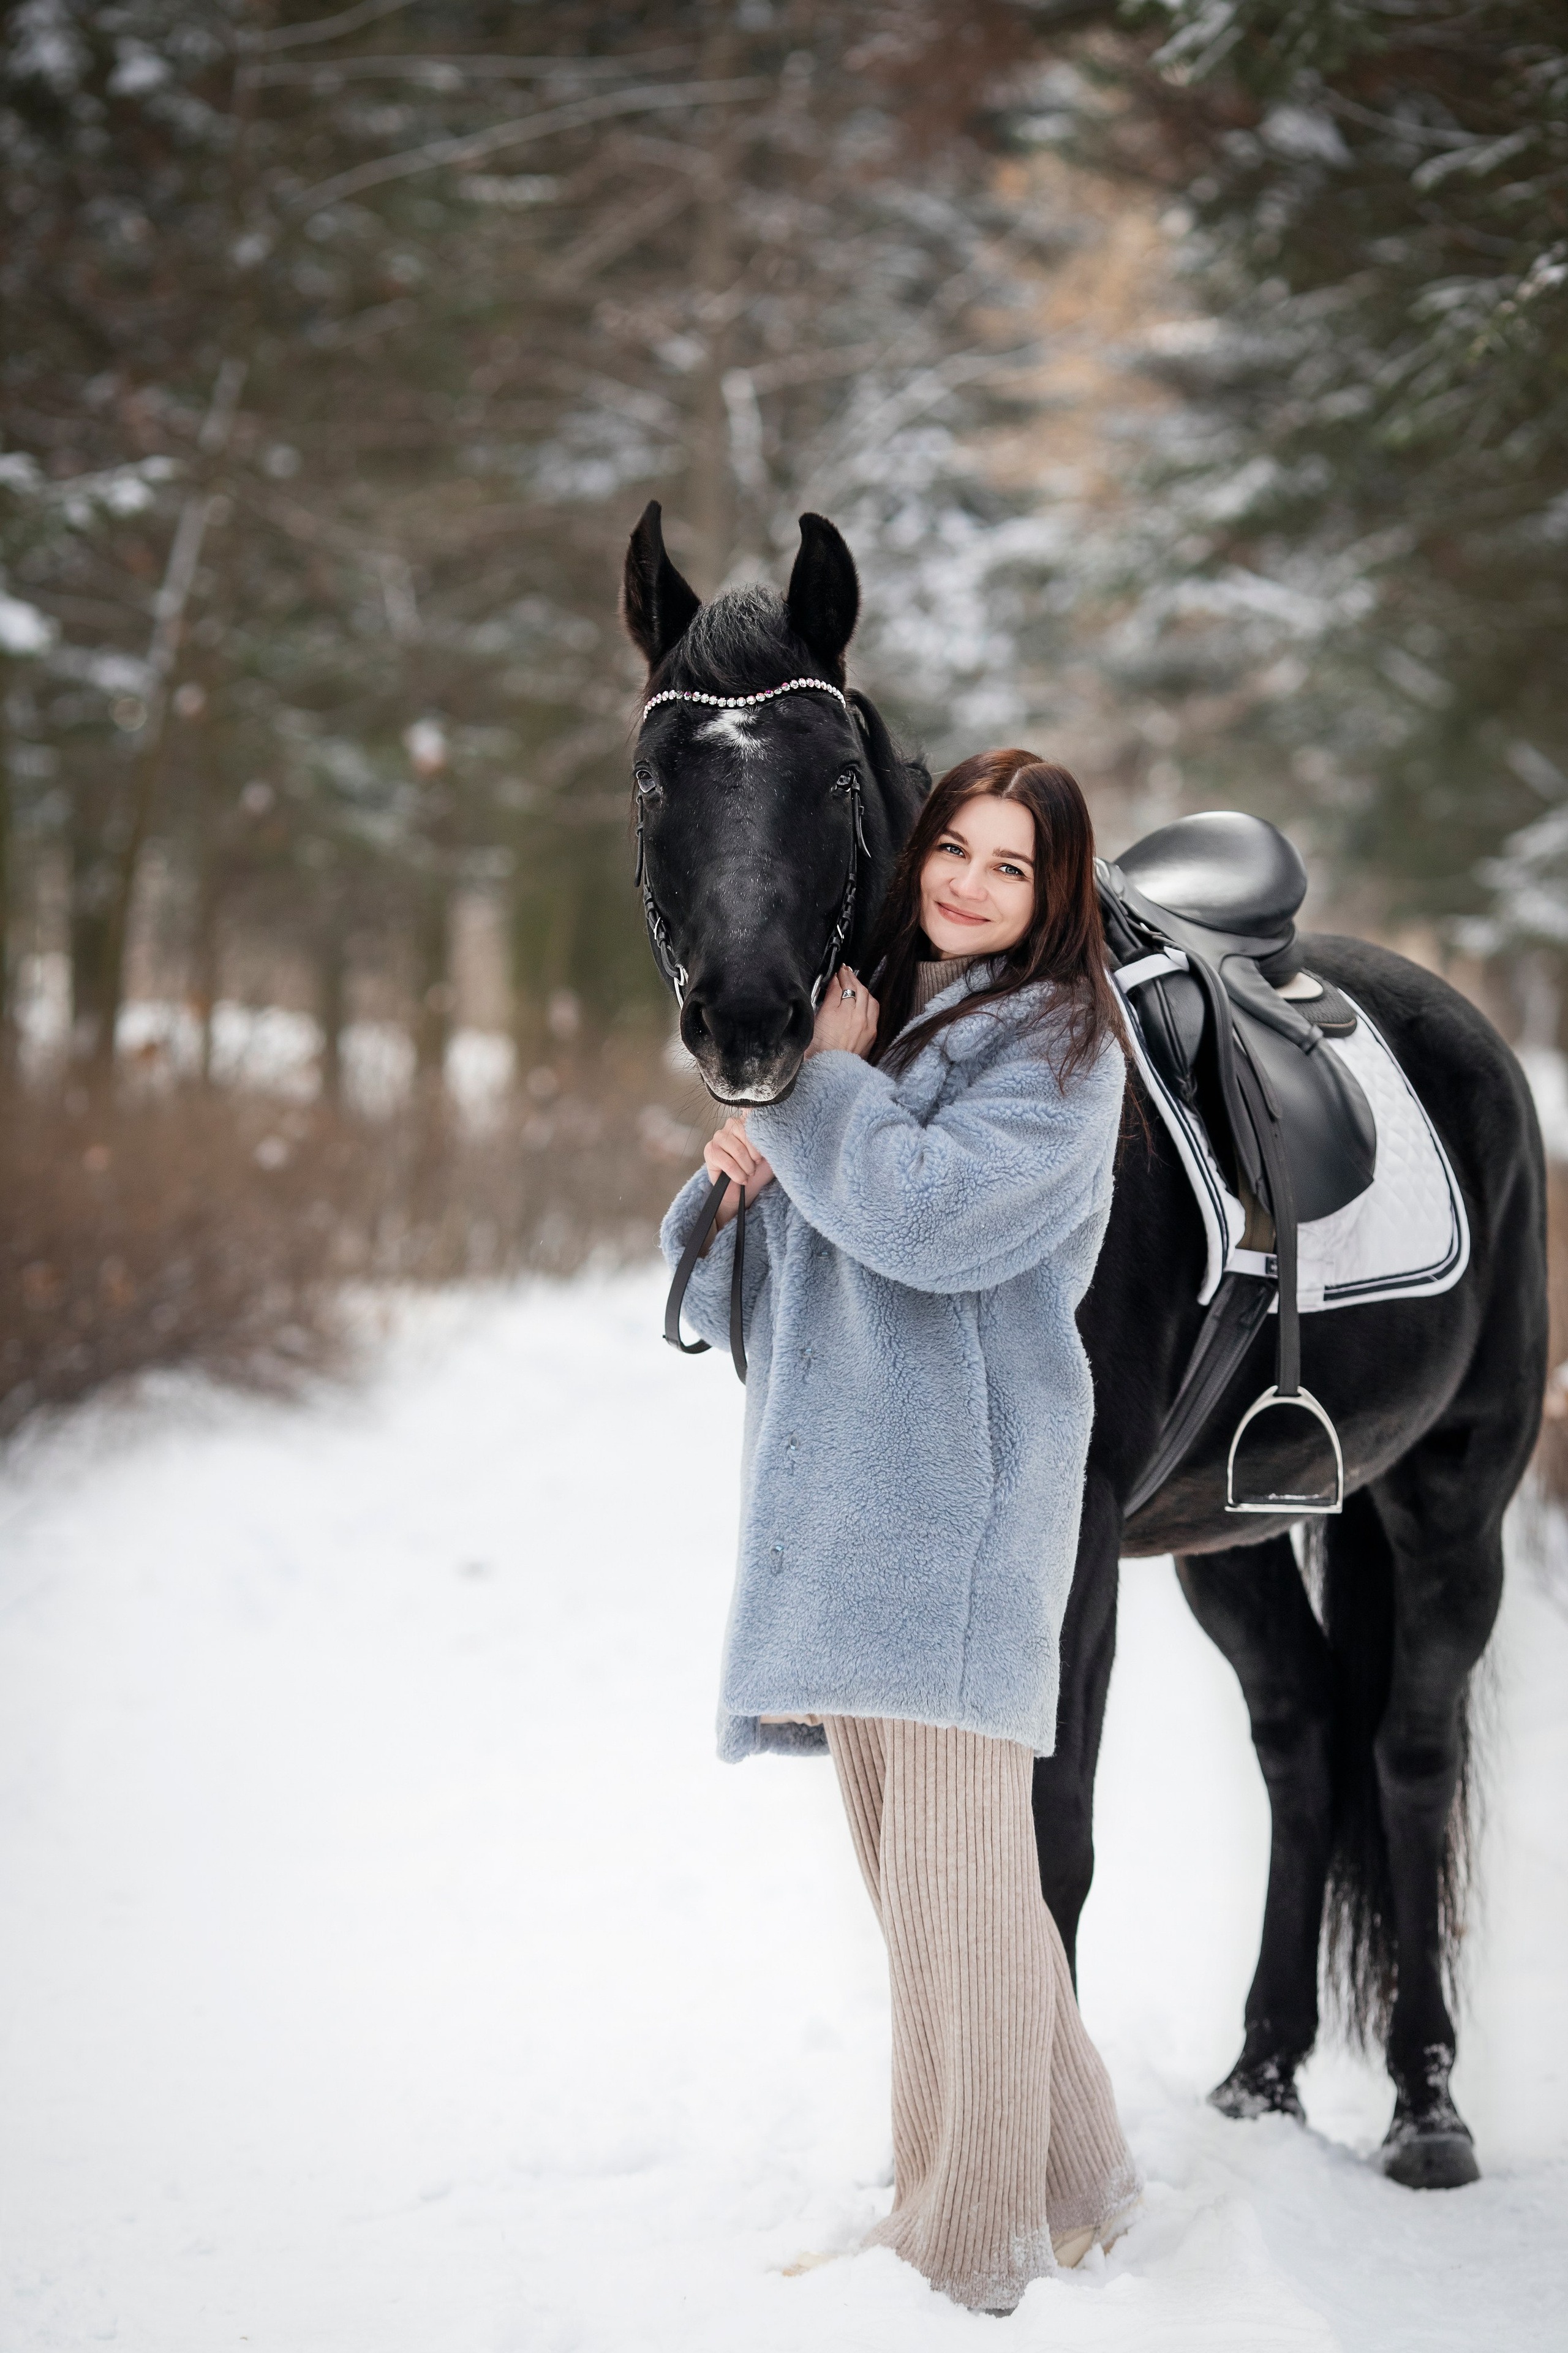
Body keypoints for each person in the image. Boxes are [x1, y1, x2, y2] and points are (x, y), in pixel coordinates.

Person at [660, 749, 1140, 2314]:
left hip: (950, 1518)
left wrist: (806, 1085)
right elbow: (797, 1256)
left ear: (1051, 892)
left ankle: (962, 2243)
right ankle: (1078, 2187)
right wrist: (741, 1164)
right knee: (959, 1902)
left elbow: (927, 1222)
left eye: (1011, 866)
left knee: (954, 1910)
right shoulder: (891, 1015)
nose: (970, 883)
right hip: (853, 1518)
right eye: (956, 848)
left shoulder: (1060, 1048)